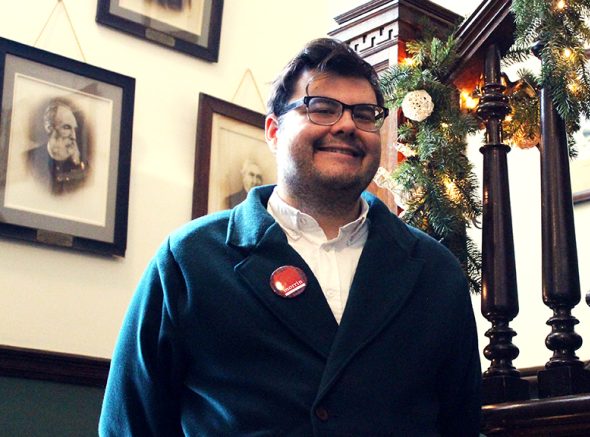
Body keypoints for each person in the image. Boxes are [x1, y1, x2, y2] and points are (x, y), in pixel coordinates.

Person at [100, 38, 481, 436]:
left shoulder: (436, 273)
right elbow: (129, 425)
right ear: (272, 131)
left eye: (365, 114)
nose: (347, 124)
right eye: (322, 108)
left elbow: (461, 425)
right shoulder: (189, 261)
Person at [26, 100, 88, 194]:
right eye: (67, 127)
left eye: (74, 129)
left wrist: (77, 164)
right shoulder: (29, 160)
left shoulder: (81, 165)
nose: (73, 136)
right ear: (49, 128)